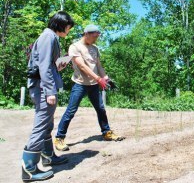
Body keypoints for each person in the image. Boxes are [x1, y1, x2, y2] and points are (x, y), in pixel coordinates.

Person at [22, 11, 74, 182]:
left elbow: (49, 66)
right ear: (61, 25)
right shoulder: (48, 37)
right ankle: (28, 169)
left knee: (47, 123)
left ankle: (48, 156)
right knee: (41, 124)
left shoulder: (51, 37)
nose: (69, 30)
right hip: (42, 88)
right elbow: (43, 66)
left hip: (43, 86)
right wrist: (49, 91)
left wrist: (60, 64)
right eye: (68, 27)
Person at [54, 24, 124, 152]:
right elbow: (82, 66)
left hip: (93, 85)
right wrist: (99, 79)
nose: (95, 40)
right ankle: (59, 138)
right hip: (80, 84)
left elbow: (98, 66)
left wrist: (106, 78)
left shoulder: (95, 48)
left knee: (101, 109)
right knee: (71, 111)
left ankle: (106, 132)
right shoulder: (75, 47)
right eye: (93, 37)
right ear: (86, 34)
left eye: (97, 37)